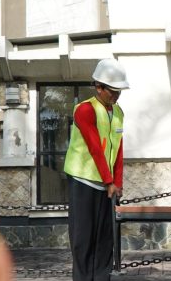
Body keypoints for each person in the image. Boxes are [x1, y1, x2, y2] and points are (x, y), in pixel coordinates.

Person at [63, 58, 129, 281]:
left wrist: (117, 183)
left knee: (105, 240)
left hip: (107, 185)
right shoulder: (84, 110)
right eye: (112, 91)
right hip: (83, 181)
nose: (116, 96)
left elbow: (118, 150)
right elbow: (94, 148)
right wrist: (109, 181)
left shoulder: (118, 112)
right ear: (98, 87)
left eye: (119, 92)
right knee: (83, 239)